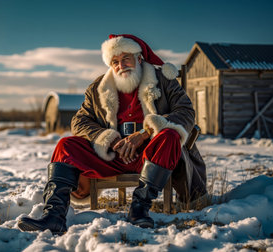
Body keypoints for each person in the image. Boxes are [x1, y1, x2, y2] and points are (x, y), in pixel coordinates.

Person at [18, 34, 207, 234]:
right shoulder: (99, 87)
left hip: (151, 155)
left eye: (126, 58)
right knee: (66, 145)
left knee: (169, 135)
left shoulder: (164, 80)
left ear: (139, 58)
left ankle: (139, 209)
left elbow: (186, 112)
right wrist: (108, 138)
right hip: (112, 155)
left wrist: (145, 133)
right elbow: (79, 121)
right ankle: (53, 216)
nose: (120, 65)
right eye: (115, 61)